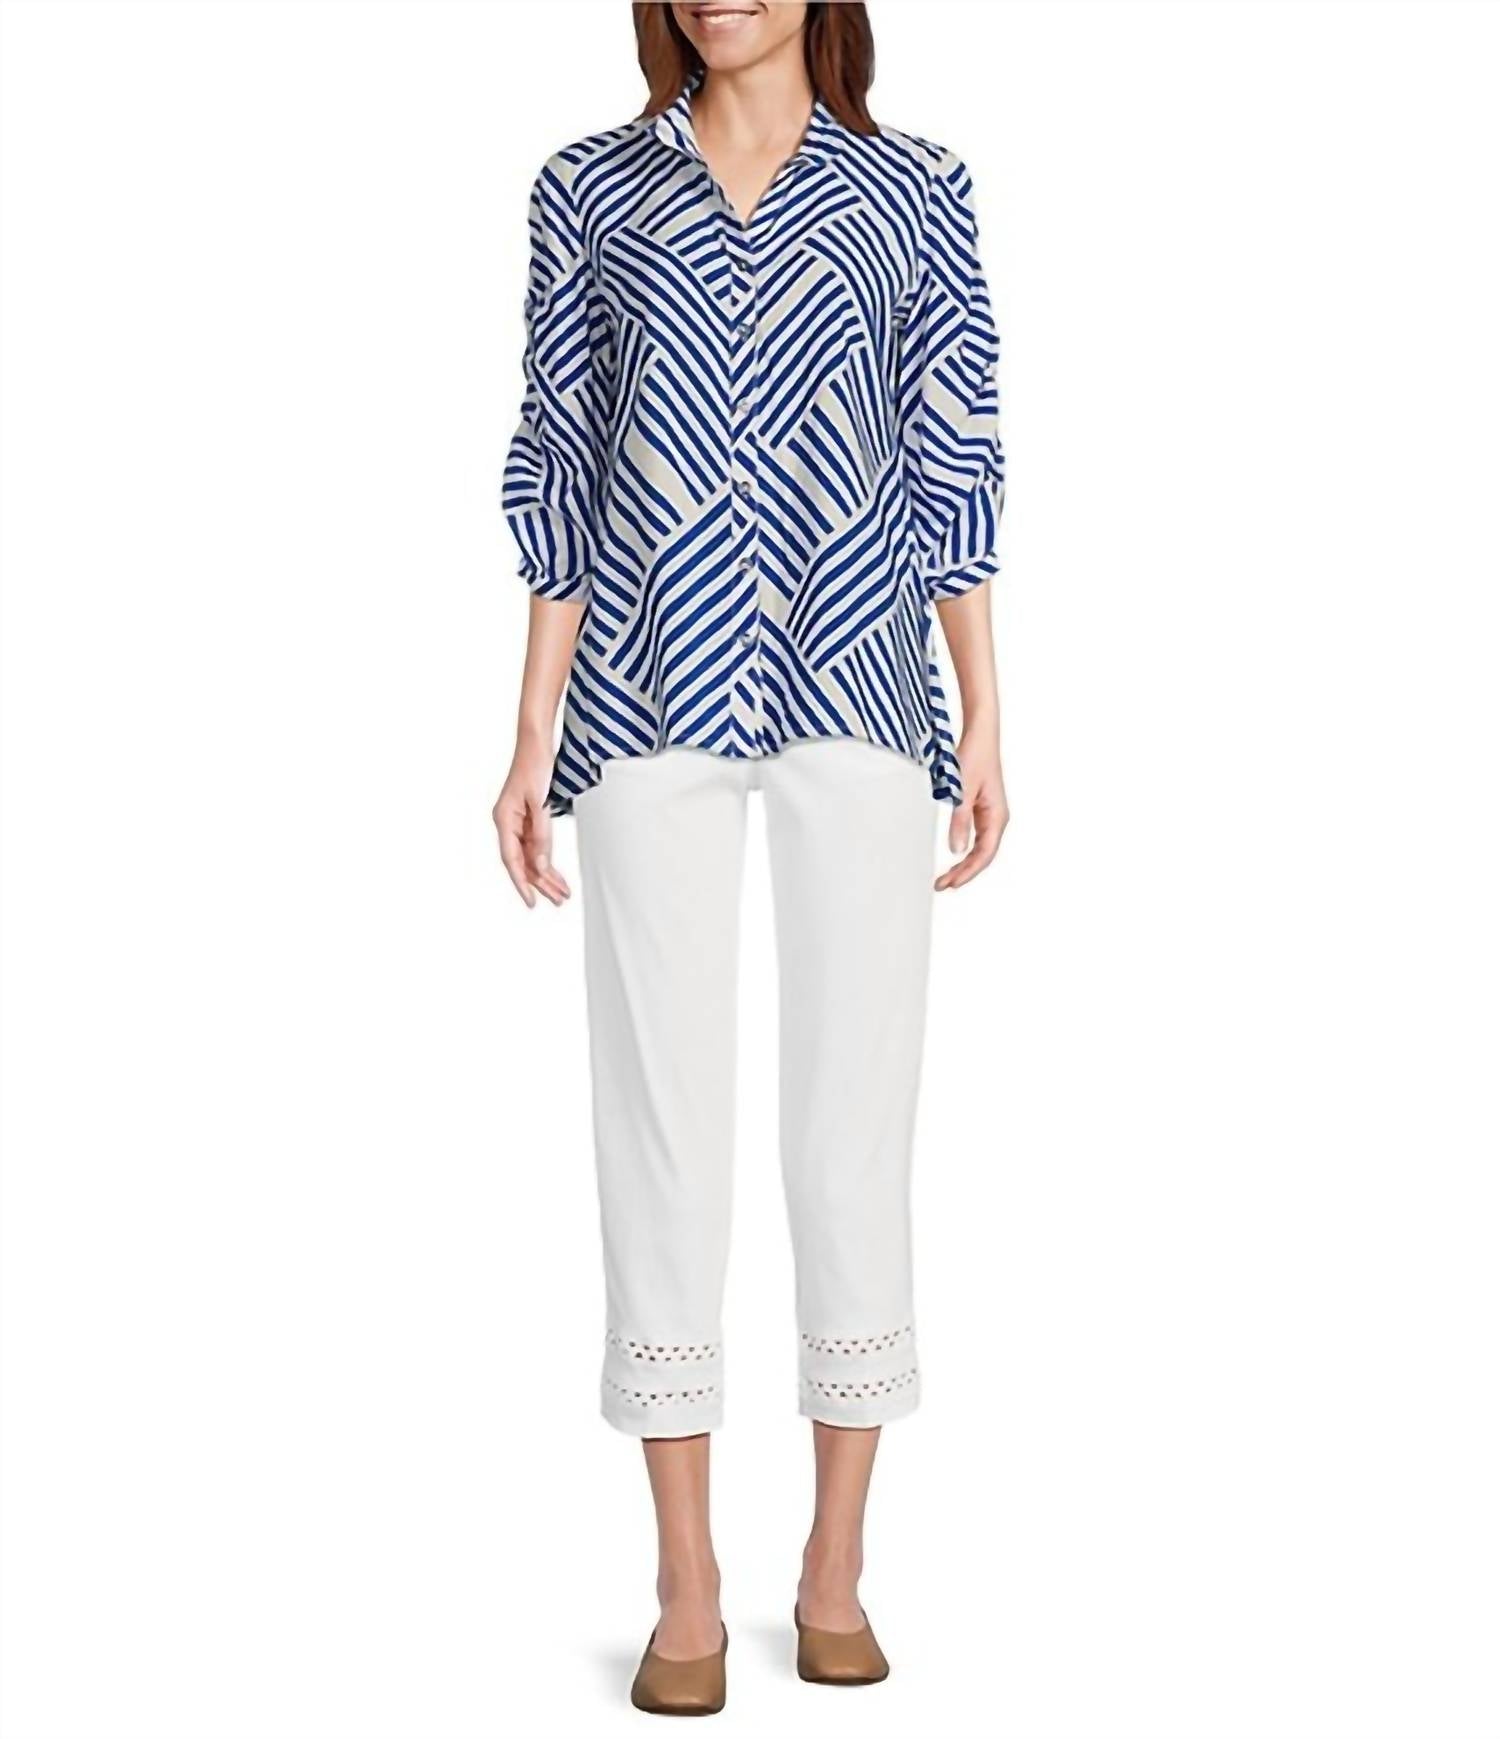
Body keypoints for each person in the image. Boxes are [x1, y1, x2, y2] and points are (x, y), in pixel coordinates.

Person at [493, 1, 1007, 1715]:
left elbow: (951, 454)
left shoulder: (918, 190)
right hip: (646, 678)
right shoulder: (587, 187)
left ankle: (837, 1561)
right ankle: (687, 1578)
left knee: (853, 1123)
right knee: (661, 1125)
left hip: (857, 675)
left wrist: (983, 714)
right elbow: (561, 464)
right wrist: (529, 733)